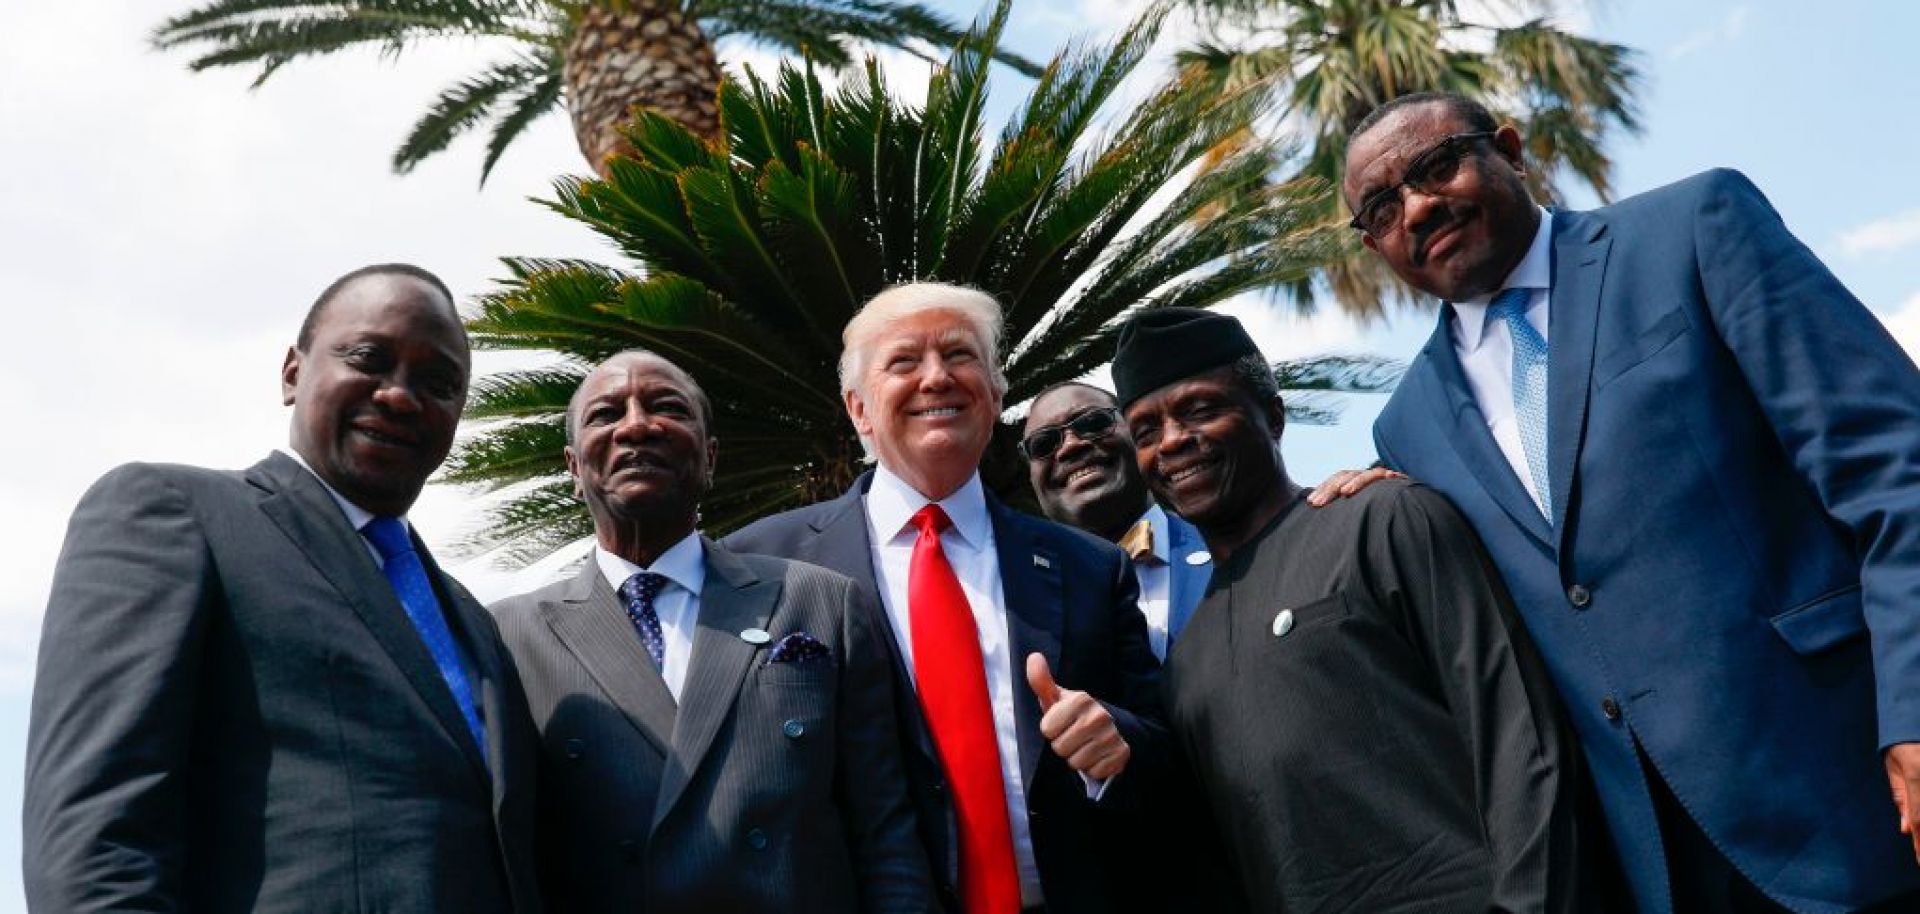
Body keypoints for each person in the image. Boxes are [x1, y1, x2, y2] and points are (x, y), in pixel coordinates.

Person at [1351, 90, 1920, 912]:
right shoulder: (1407, 426)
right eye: (1381, 207)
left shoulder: (1692, 227)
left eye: (1438, 168)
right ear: (1372, 243)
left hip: (1854, 791)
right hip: (1656, 867)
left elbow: (1893, 471)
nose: (1418, 207)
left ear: (1509, 150)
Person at [23, 264, 541, 912]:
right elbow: (98, 837)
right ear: (293, 373)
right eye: (370, 359)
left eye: (438, 383)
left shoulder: (471, 619)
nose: (401, 396)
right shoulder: (176, 514)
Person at [1112, 306, 1592, 913]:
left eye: (1201, 409)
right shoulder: (1186, 663)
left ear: (1273, 415)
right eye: (1146, 431)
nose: (1173, 441)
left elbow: (1521, 739)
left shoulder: (1383, 520)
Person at [727, 282, 1168, 914]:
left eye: (960, 356)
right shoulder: (760, 566)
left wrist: (1115, 741)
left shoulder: (1089, 567)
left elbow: (1163, 746)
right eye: (905, 361)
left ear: (994, 396)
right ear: (858, 409)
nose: (937, 378)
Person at [490, 350, 936, 912]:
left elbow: (886, 833)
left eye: (666, 407)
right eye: (605, 414)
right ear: (575, 469)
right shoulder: (509, 635)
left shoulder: (819, 601)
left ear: (710, 458)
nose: (636, 425)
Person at [1020, 382, 1210, 661]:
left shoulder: (1236, 549)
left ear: (1139, 433)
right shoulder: (1022, 603)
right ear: (1031, 479)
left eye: (1093, 422)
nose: (1070, 446)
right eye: (1043, 443)